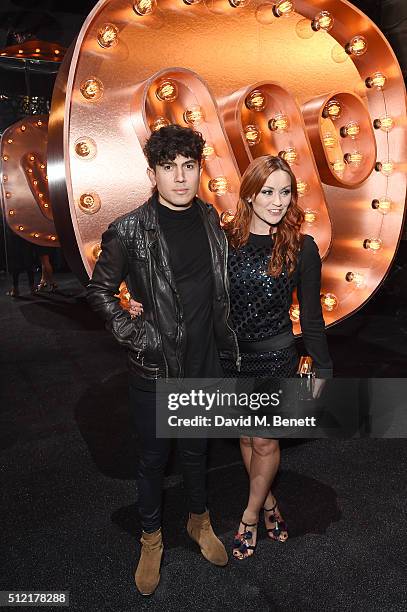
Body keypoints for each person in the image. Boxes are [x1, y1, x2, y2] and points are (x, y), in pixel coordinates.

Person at [87, 125, 239, 595]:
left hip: (203, 364)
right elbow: (99, 292)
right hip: (155, 370)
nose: (180, 177)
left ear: (199, 169)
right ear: (152, 173)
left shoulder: (212, 220)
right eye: (169, 167)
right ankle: (151, 538)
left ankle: (199, 522)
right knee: (153, 459)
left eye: (188, 166)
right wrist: (139, 335)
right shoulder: (129, 230)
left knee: (197, 451)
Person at [221, 155, 333, 559]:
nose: (277, 201)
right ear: (249, 194)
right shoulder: (225, 242)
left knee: (265, 441)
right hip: (233, 360)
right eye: (268, 191)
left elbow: (313, 315)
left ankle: (249, 516)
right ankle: (269, 502)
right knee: (247, 436)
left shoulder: (301, 247)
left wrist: (323, 365)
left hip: (276, 358)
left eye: (285, 191)